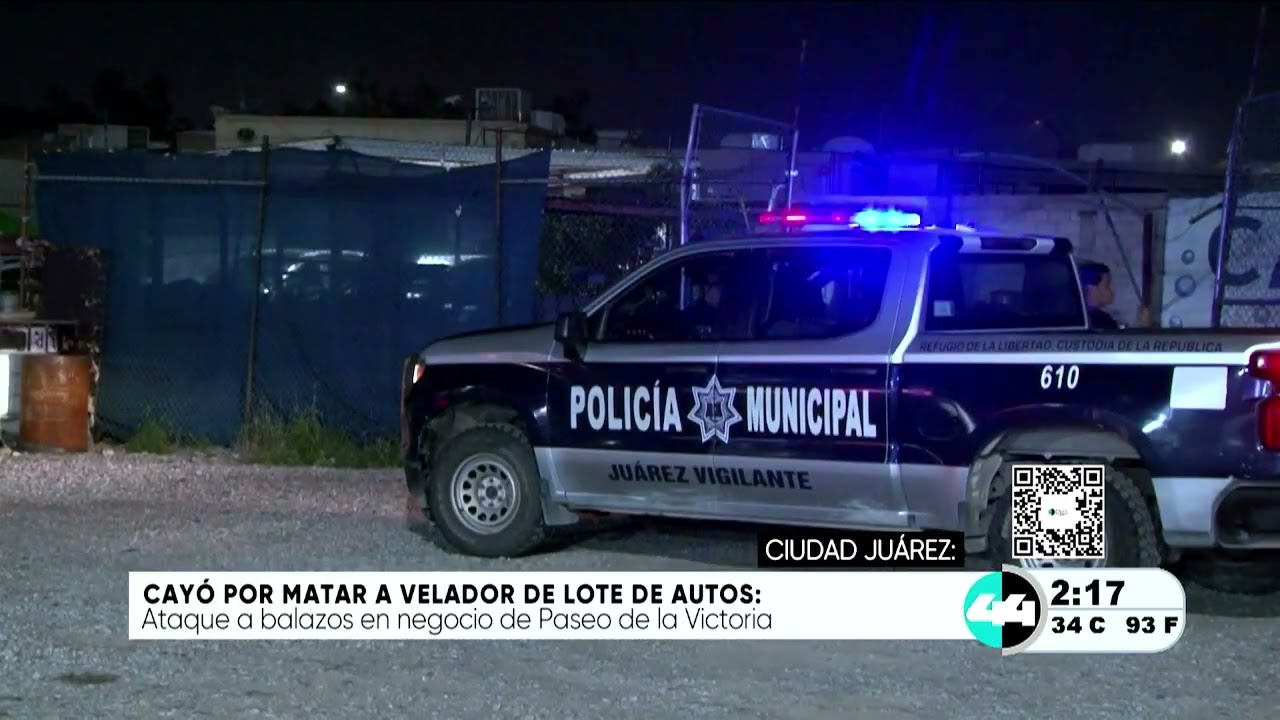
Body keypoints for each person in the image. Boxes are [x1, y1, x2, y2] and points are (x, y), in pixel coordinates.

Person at [1078, 261, 1152, 329]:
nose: (1111, 291)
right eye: (1107, 286)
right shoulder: (1100, 320)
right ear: (1091, 289)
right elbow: (1122, 337)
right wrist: (1142, 324)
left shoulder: (1080, 316)